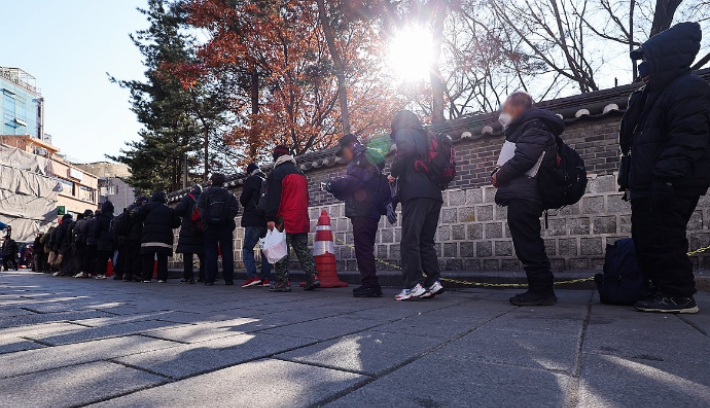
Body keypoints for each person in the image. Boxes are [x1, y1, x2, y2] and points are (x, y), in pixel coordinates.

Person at [619, 22, 710, 314]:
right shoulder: (653, 95)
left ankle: (679, 295)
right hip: (648, 181)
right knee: (646, 236)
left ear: (664, 58)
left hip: (672, 181)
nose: (643, 68)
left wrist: (666, 177)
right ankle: (661, 288)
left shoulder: (689, 88)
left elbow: (688, 137)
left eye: (648, 60)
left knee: (664, 236)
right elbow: (636, 140)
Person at [492, 92, 562, 306]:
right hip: (524, 191)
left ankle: (541, 290)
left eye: (507, 107)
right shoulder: (530, 125)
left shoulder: (534, 124)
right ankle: (541, 288)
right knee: (527, 241)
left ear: (517, 107)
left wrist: (500, 175)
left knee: (528, 242)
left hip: (527, 192)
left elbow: (525, 158)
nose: (504, 112)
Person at [388, 110, 444, 301]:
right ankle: (433, 282)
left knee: (410, 240)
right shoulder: (428, 136)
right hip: (434, 194)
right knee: (426, 241)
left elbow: (406, 150)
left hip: (416, 193)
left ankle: (412, 285)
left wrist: (394, 173)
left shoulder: (405, 132)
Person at [324, 134, 385, 297]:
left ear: (351, 145)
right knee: (365, 247)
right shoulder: (367, 159)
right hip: (369, 210)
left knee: (363, 248)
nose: (344, 156)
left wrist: (332, 184)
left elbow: (351, 182)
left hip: (362, 210)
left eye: (344, 151)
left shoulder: (362, 159)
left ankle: (371, 285)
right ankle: (370, 283)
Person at [264, 145, 320, 292]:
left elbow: (273, 198)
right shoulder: (301, 174)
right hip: (301, 216)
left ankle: (283, 281)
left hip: (283, 218)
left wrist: (270, 218)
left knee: (281, 249)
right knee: (302, 248)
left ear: (276, 158)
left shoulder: (277, 174)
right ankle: (313, 276)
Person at [198, 173, 239, 286]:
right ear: (222, 182)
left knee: (210, 252)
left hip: (209, 226)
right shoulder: (229, 194)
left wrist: (208, 219)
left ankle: (209, 279)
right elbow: (235, 208)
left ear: (211, 181)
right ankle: (228, 279)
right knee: (227, 252)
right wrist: (226, 218)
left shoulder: (205, 194)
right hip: (225, 226)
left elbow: (200, 208)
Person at [133, 192, 181, 283]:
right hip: (164, 238)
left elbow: (135, 216)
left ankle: (147, 277)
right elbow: (177, 223)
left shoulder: (146, 207)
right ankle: (161, 278)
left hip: (148, 237)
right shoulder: (169, 210)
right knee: (162, 258)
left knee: (147, 258)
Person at [239, 163, 271, 288]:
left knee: (247, 248)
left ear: (250, 172)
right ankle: (266, 278)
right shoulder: (266, 180)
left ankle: (252, 276)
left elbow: (243, 199)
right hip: (266, 220)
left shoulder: (250, 180)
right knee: (265, 250)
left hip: (253, 219)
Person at [175, 185, 205, 284]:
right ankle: (203, 276)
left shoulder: (187, 198)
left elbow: (178, 210)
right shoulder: (204, 197)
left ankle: (189, 277)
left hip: (188, 229)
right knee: (203, 254)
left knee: (187, 255)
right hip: (202, 230)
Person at [124, 197, 148, 282]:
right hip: (137, 235)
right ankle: (136, 274)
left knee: (127, 256)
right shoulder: (141, 209)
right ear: (143, 202)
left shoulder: (128, 208)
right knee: (136, 256)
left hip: (126, 235)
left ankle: (127, 275)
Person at [93, 202, 115, 280]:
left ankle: (101, 273)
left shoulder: (101, 218)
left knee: (102, 258)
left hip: (102, 241)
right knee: (113, 257)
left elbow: (97, 229)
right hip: (113, 241)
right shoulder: (114, 218)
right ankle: (117, 272)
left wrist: (97, 237)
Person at [72, 210, 93, 278]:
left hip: (80, 242)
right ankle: (88, 271)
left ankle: (80, 271)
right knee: (89, 257)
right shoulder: (93, 221)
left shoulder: (79, 222)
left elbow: (74, 232)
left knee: (79, 257)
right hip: (90, 242)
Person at [84, 209, 100, 278]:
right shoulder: (100, 221)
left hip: (89, 241)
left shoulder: (89, 221)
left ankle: (85, 271)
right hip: (97, 242)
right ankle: (91, 271)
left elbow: (83, 230)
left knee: (87, 257)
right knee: (94, 257)